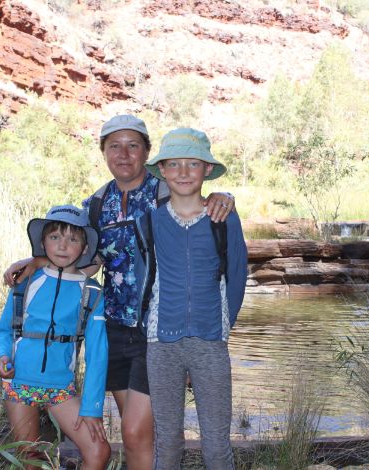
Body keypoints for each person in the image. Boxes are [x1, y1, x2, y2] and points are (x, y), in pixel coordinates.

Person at [3, 115, 236, 470]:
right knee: (135, 431)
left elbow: (197, 201)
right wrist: (36, 261)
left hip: (155, 331)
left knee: (136, 431)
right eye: (115, 146)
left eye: (133, 145)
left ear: (146, 152)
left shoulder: (164, 194)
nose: (124, 154)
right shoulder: (95, 205)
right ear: (104, 152)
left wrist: (224, 196)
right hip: (110, 328)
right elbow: (74, 252)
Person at [133, 128, 248, 469]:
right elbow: (144, 281)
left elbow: (237, 279)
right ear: (163, 171)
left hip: (210, 342)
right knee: (167, 443)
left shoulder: (224, 220)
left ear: (207, 170)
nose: (183, 172)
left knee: (216, 445)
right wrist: (151, 329)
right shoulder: (149, 222)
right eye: (175, 164)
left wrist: (219, 330)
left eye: (193, 164)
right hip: (161, 344)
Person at [0, 205, 110, 470]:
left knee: (98, 451)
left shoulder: (92, 292)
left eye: (72, 239)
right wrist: (2, 356)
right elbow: (2, 331)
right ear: (43, 242)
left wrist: (92, 408)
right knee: (30, 458)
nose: (62, 245)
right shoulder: (25, 282)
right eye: (55, 237)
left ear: (83, 248)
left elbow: (97, 355)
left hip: (61, 389)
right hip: (19, 383)